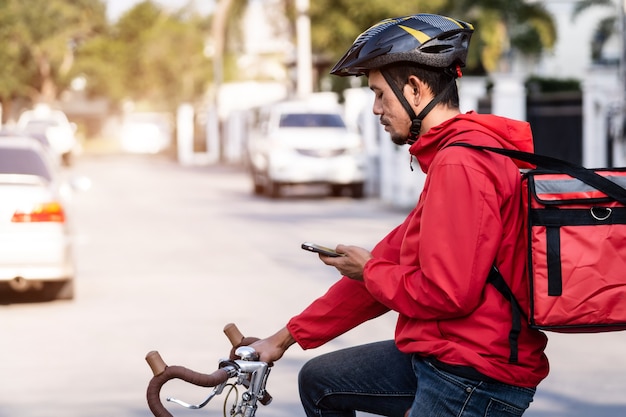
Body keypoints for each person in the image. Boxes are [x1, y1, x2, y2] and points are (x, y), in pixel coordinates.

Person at [249, 13, 549, 417]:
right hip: (445, 354)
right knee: (321, 381)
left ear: (414, 88)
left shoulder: (460, 164)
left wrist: (370, 269)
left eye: (379, 94)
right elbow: (391, 261)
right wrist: (282, 339)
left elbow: (447, 294)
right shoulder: (453, 155)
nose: (375, 109)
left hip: (472, 375)